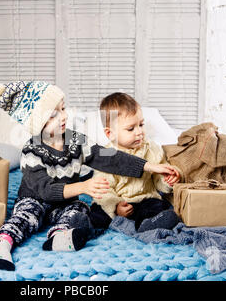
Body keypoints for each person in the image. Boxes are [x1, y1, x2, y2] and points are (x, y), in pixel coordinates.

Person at [0, 81, 178, 271]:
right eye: (53, 115)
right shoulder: (31, 152)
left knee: (79, 210)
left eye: (63, 109)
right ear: (36, 124)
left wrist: (149, 166)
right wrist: (83, 187)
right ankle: (2, 243)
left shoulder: (75, 140)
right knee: (27, 215)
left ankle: (59, 237)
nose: (63, 117)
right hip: (35, 199)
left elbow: (109, 157)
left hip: (65, 202)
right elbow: (45, 190)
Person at [71, 92, 181, 233]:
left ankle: (149, 224)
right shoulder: (106, 154)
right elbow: (103, 188)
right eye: (131, 129)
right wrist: (116, 206)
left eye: (141, 125)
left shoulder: (151, 149)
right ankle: (83, 228)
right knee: (98, 210)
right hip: (118, 201)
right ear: (110, 133)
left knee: (158, 206)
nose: (139, 132)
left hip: (144, 199)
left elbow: (158, 179)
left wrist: (168, 181)